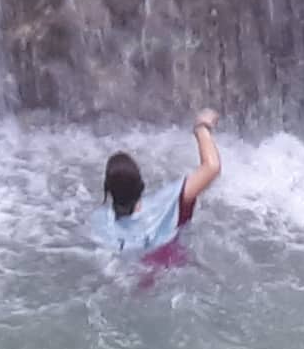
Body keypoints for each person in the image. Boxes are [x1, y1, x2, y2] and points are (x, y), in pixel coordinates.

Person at [94, 113, 221, 267]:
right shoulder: (167, 202)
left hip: (133, 276)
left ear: (108, 191)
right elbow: (212, 167)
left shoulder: (100, 222)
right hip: (174, 267)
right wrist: (201, 127)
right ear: (141, 184)